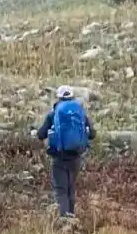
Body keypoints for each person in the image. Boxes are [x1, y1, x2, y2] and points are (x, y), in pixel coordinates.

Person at [34, 86, 96, 219]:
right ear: (72, 97)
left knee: (61, 189)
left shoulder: (54, 113)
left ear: (59, 98)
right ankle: (71, 216)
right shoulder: (80, 113)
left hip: (59, 157)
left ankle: (64, 219)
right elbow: (92, 135)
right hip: (76, 157)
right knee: (71, 188)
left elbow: (40, 135)